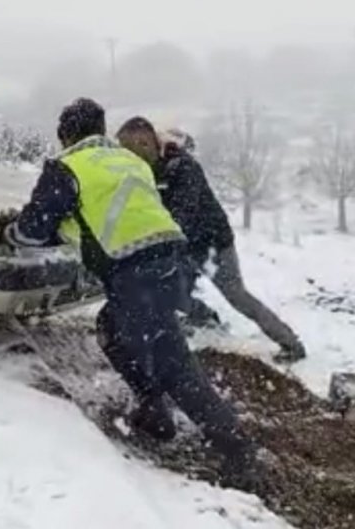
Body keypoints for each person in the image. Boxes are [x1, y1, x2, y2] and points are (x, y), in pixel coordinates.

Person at [0, 98, 263, 491]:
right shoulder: (127, 161)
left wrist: (7, 231)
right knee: (115, 329)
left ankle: (236, 451)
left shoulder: (65, 168)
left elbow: (33, 230)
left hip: (136, 272)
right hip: (171, 261)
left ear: (64, 135)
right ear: (101, 130)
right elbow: (103, 215)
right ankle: (154, 409)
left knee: (171, 363)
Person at [116, 116, 306, 363]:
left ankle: (291, 344)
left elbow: (183, 214)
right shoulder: (143, 171)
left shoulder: (183, 167)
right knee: (169, 294)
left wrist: (158, 241)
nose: (124, 157)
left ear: (144, 143)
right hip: (183, 245)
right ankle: (206, 319)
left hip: (213, 243)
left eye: (128, 149)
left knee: (237, 296)